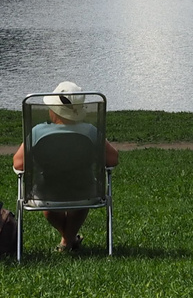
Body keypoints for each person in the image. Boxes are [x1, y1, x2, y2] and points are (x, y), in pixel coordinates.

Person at [12, 81, 119, 253]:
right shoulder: (90, 132)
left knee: (47, 203)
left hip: (45, 194)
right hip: (86, 193)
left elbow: (18, 163)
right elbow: (113, 159)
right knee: (80, 202)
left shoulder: (38, 132)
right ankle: (69, 241)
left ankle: (66, 242)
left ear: (53, 110)